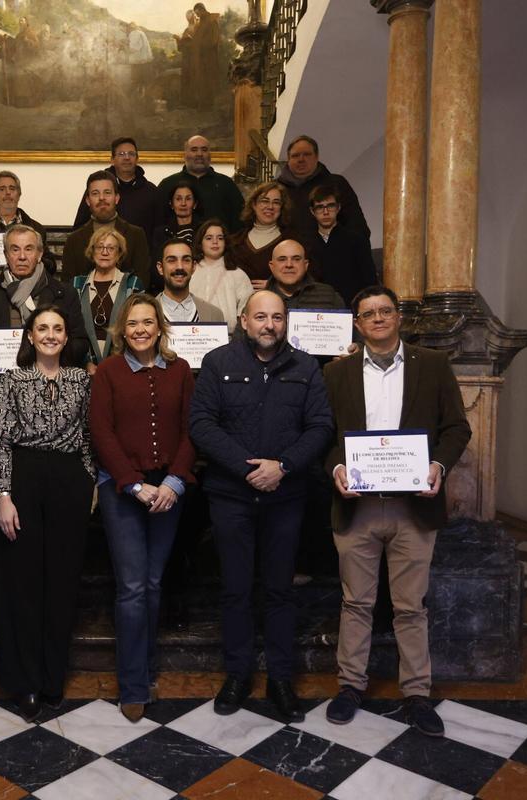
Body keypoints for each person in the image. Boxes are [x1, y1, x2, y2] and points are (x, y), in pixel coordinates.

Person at [322, 286, 471, 736]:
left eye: (386, 310)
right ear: (358, 324)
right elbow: (322, 434)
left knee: (410, 606)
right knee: (356, 602)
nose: (379, 318)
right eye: (369, 313)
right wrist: (336, 467)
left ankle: (417, 693)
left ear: (397, 318)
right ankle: (350, 685)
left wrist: (437, 465)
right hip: (358, 506)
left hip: (414, 508)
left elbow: (457, 428)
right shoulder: (336, 374)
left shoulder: (433, 365)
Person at [189, 290, 334, 721]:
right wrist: (246, 468)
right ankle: (237, 675)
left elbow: (322, 425)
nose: (268, 325)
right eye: (260, 317)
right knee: (235, 589)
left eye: (276, 317)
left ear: (285, 322)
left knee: (279, 590)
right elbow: (201, 423)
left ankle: (281, 680)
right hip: (231, 495)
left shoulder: (306, 367)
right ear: (243, 319)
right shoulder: (218, 363)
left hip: (286, 496)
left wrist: (283, 466)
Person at [0, 303, 95, 722]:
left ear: (67, 338)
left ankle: (53, 679)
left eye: (58, 328)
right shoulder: (12, 380)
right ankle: (24, 682)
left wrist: (88, 481)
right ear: (29, 336)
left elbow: (88, 437)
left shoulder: (82, 381)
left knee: (63, 583)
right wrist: (4, 494)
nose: (50, 334)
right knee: (22, 583)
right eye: (42, 328)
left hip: (69, 481)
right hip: (23, 479)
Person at [89, 293, 196, 722]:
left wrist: (173, 482)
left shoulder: (181, 370)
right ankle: (133, 684)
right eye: (132, 323)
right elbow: (101, 432)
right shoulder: (109, 372)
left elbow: (194, 430)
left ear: (160, 326)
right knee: (132, 588)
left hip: (169, 490)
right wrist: (134, 485)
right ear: (121, 329)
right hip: (123, 492)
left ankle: (147, 668)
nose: (140, 330)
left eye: (148, 322)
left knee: (153, 584)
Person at [0, 224, 90, 370]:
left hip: (52, 376)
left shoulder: (65, 293)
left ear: (40, 254)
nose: (22, 257)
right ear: (6, 255)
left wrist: (55, 355)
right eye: (15, 249)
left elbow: (80, 342)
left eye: (29, 249)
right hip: (1, 378)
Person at [63, 171, 152, 287]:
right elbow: (67, 285)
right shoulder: (74, 240)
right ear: (88, 201)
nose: (101, 198)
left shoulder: (136, 235)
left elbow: (142, 281)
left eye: (107, 193)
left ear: (117, 198)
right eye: (95, 193)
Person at [72, 227, 144, 369]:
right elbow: (72, 328)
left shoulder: (133, 284)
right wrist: (86, 363)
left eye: (111, 248)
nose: (105, 252)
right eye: (100, 247)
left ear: (119, 254)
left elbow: (139, 328)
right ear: (92, 252)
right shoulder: (77, 285)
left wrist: (116, 364)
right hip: (84, 367)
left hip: (125, 366)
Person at [0, 170, 55, 281]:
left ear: (19, 195)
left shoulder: (36, 228)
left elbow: (51, 266)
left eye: (12, 188)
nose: (8, 193)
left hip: (27, 290)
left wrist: (36, 259)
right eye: (2, 189)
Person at [278, 135, 370, 242]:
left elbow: (356, 225)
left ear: (316, 157)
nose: (301, 159)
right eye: (295, 155)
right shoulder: (277, 190)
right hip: (289, 256)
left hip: (330, 254)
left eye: (307, 154)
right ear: (288, 159)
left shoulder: (337, 184)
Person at [304, 183, 378, 309]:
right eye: (320, 207)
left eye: (330, 206)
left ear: (338, 208)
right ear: (312, 211)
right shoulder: (305, 243)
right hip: (314, 309)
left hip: (350, 309)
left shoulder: (356, 240)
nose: (325, 212)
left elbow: (369, 281)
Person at [71, 138, 160, 239]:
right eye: (121, 154)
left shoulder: (151, 191)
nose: (127, 157)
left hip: (138, 252)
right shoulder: (97, 188)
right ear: (112, 160)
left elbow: (158, 231)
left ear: (137, 159)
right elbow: (79, 229)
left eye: (131, 154)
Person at [156, 135, 244, 233]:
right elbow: (158, 219)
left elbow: (239, 220)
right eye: (194, 150)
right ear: (185, 154)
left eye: (204, 150)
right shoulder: (168, 184)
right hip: (178, 245)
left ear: (210, 154)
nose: (199, 154)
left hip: (218, 245)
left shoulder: (226, 184)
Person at [231, 181, 301, 290]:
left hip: (278, 304)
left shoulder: (293, 241)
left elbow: (306, 277)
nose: (270, 206)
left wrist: (276, 286)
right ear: (254, 205)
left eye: (276, 202)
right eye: (264, 201)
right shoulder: (235, 241)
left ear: (281, 208)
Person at [188, 219, 253, 334]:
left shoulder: (237, 274)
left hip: (228, 336)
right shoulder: (189, 272)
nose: (215, 242)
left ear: (226, 242)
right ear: (200, 243)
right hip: (193, 335)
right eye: (209, 238)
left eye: (220, 238)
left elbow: (246, 308)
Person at [155, 239, 226, 324]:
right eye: (171, 260)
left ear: (194, 267)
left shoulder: (214, 314)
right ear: (160, 268)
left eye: (186, 260)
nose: (180, 267)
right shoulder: (145, 312)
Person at [266, 238, 346, 311]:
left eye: (296, 259)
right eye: (282, 259)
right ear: (272, 266)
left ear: (306, 265)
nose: (289, 265)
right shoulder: (258, 300)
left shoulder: (329, 296)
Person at [150, 180, 203, 273]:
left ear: (195, 204)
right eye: (178, 199)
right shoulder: (161, 233)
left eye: (188, 199)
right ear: (171, 204)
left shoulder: (204, 231)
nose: (183, 203)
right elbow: (157, 266)